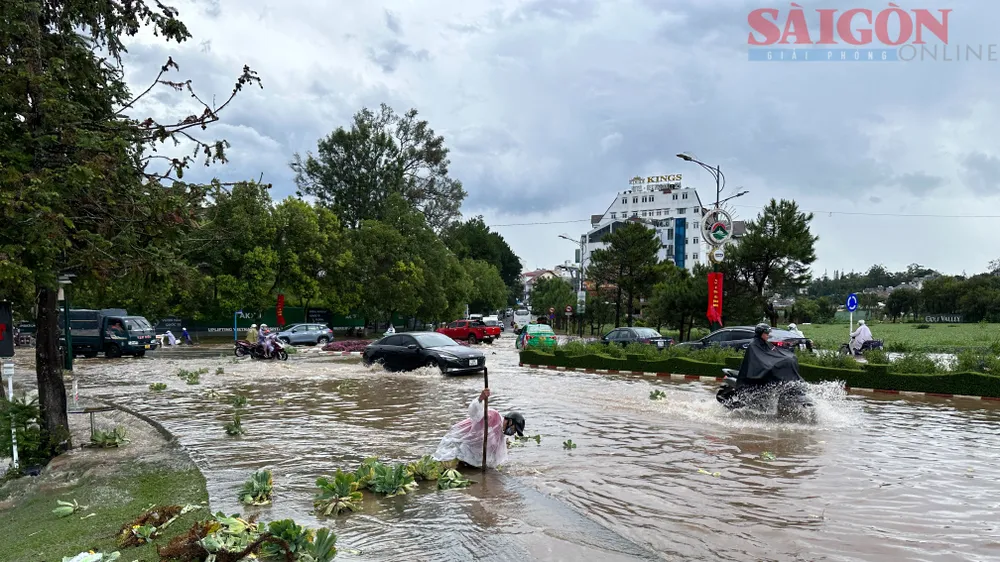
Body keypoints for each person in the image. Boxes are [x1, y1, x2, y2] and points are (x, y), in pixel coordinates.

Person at [432, 388, 526, 469]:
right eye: (514, 429)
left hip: (473, 459)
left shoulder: (501, 435)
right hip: (463, 447)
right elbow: (475, 413)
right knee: (447, 462)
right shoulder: (494, 416)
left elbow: (495, 457)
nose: (513, 432)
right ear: (510, 421)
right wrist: (481, 399)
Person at [736, 323, 802, 388]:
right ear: (760, 333)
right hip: (760, 370)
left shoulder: (765, 343)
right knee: (780, 365)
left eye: (768, 333)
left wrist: (786, 352)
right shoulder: (754, 345)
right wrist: (773, 363)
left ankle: (791, 381)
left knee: (791, 359)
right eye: (766, 333)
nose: (768, 335)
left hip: (768, 364)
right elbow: (759, 360)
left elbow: (773, 351)